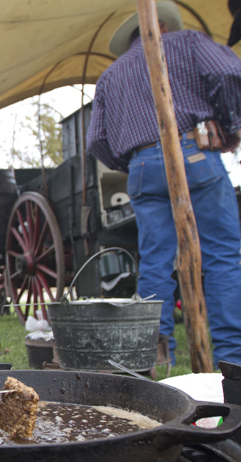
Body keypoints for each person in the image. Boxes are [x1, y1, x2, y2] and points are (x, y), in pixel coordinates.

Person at [87, 0, 241, 368]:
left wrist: (137, 161)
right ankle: (232, 362)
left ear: (131, 40)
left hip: (141, 166)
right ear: (164, 28)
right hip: (194, 154)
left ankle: (156, 359)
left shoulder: (111, 75)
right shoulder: (188, 42)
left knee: (156, 260)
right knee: (222, 255)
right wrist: (231, 128)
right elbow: (230, 72)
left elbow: (96, 140)